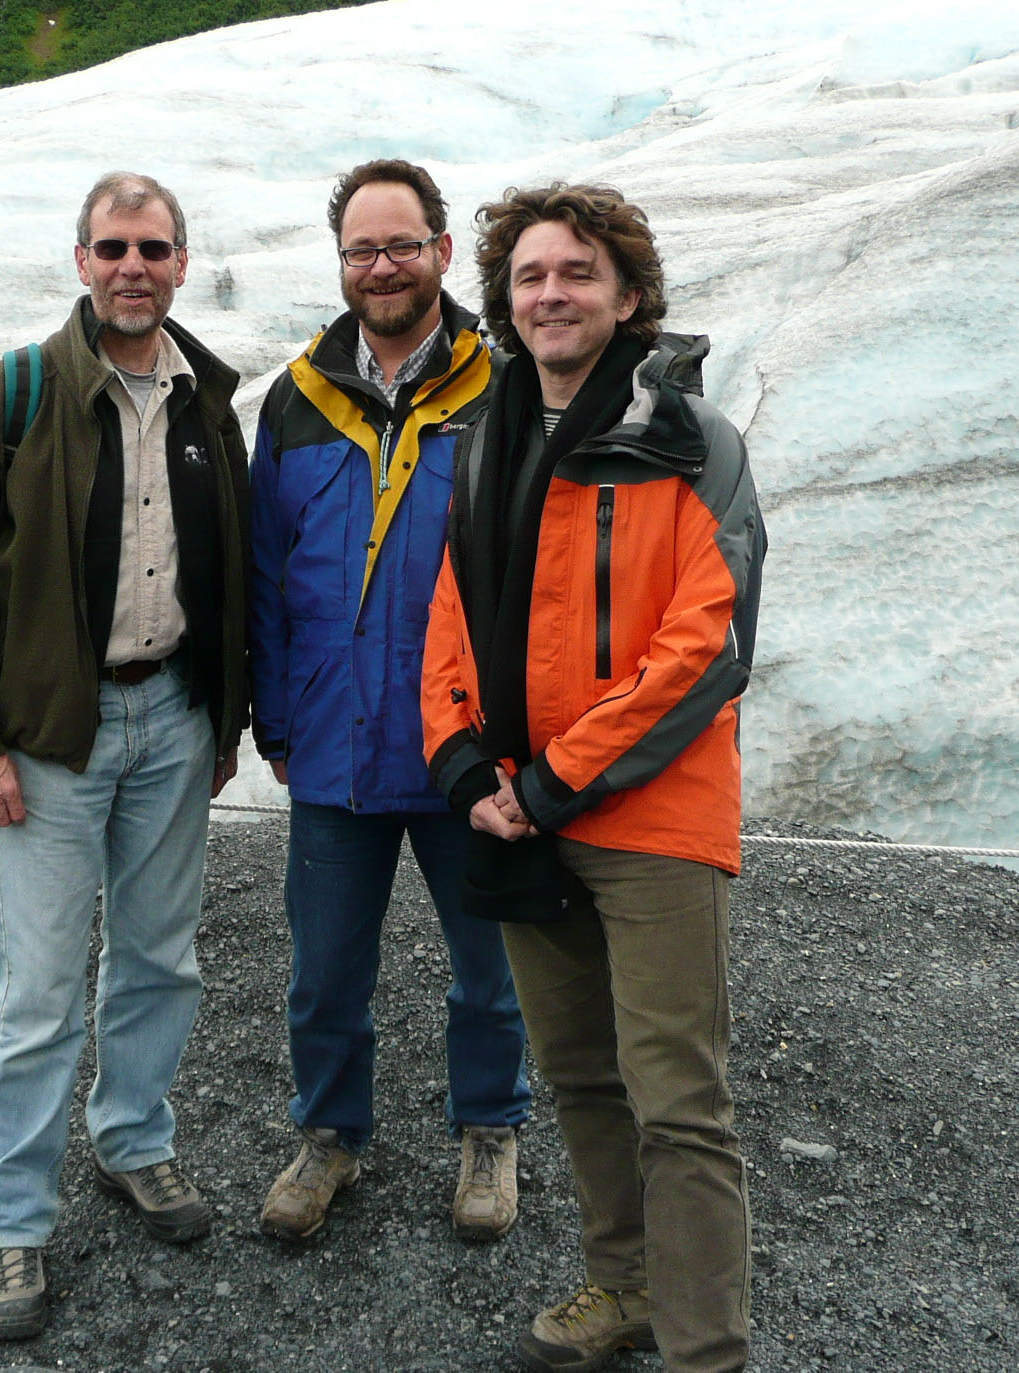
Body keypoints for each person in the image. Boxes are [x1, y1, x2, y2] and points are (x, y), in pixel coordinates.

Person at [421, 183, 766, 1373]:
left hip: (650, 819)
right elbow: (453, 617)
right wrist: (463, 757)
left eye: (576, 273)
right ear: (504, 300)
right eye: (529, 275)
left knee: (677, 1099)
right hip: (521, 810)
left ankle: (704, 1348)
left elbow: (707, 644)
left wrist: (556, 778)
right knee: (576, 1074)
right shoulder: (486, 437)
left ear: (627, 294)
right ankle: (622, 1285)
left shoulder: (688, 441)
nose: (551, 294)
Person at [0, 171, 248, 1342]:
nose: (132, 266)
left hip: (172, 722)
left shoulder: (209, 401)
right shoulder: (13, 396)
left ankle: (133, 1142)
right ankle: (9, 1219)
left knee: (160, 959)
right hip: (51, 741)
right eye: (112, 246)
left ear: (182, 263)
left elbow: (231, 571)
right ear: (80, 258)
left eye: (153, 247)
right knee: (41, 990)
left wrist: (224, 718)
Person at [247, 159, 530, 1244]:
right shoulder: (296, 398)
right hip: (334, 738)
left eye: (401, 245)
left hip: (471, 747)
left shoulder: (503, 390)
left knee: (487, 966)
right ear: (341, 263)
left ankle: (490, 1128)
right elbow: (270, 573)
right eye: (361, 249)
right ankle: (328, 1134)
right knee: (323, 971)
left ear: (443, 253)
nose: (381, 266)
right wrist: (275, 718)